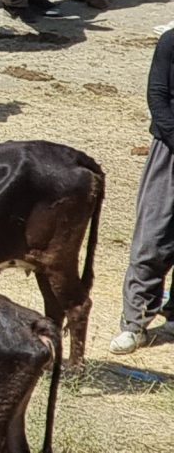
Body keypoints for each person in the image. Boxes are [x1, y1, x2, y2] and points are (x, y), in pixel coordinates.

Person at [122, 21, 174, 354]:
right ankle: (135, 323)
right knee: (152, 238)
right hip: (169, 151)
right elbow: (157, 97)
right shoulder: (170, 42)